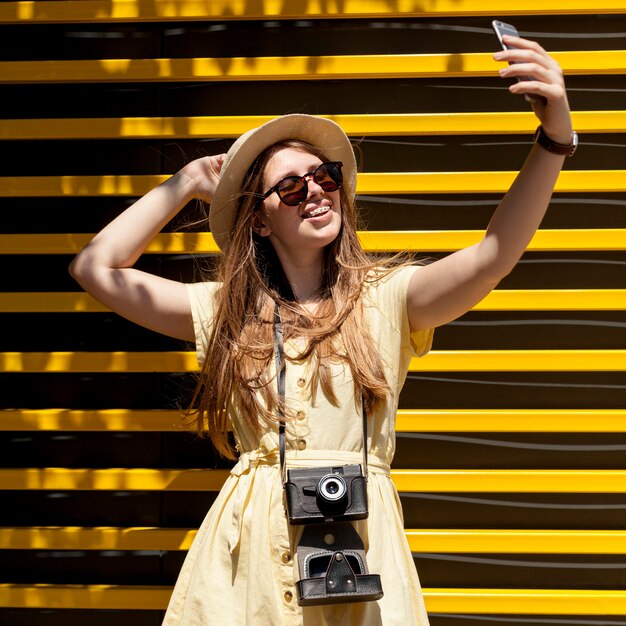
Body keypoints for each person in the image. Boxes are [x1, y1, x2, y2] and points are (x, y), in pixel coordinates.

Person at [69, 34, 575, 626]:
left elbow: (495, 253)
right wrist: (183, 184)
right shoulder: (224, 314)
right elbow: (95, 268)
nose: (314, 190)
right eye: (290, 186)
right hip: (247, 571)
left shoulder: (386, 303)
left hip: (358, 558)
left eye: (325, 175)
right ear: (259, 221)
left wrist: (553, 140)